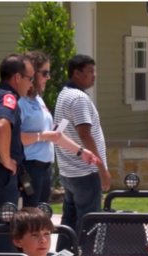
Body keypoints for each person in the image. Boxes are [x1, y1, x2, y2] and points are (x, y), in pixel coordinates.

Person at [19, 51, 102, 208]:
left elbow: (54, 135)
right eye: (45, 73)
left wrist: (81, 152)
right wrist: (43, 135)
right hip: (28, 168)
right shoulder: (19, 101)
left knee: (41, 218)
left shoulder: (37, 99)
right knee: (28, 220)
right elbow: (12, 137)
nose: (48, 77)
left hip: (44, 169)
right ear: (32, 73)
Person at [54, 54, 109, 237]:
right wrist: (102, 169)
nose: (94, 75)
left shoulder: (64, 94)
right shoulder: (78, 99)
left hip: (69, 171)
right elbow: (85, 135)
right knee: (90, 223)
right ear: (76, 73)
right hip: (85, 172)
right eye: (90, 72)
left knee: (69, 221)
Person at [0, 54, 34, 217]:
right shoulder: (8, 98)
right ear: (18, 77)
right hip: (4, 174)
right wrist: (6, 160)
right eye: (30, 79)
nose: (31, 85)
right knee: (4, 229)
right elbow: (2, 126)